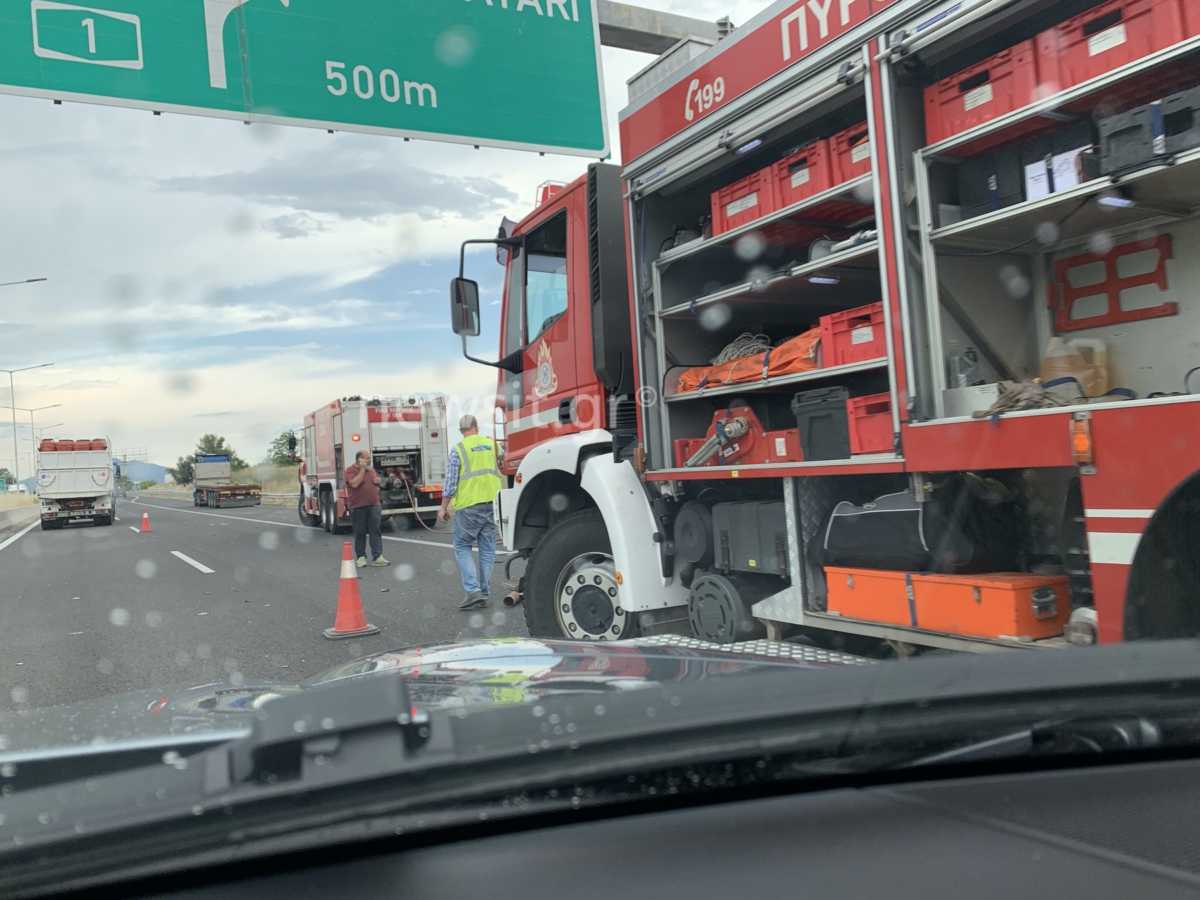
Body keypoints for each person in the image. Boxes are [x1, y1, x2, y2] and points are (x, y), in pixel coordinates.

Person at [438, 414, 503, 609]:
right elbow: (504, 464)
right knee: (487, 548)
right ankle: (483, 592)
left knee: (462, 545)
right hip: (492, 502)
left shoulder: (458, 449)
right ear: (476, 426)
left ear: (461, 431)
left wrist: (443, 507)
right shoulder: (493, 445)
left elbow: (450, 483)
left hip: (469, 506)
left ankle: (473, 591)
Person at [345, 449, 388, 568]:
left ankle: (378, 556)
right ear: (359, 459)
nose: (369, 460)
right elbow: (354, 484)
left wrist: (378, 481)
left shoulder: (372, 469)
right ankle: (361, 557)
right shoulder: (350, 470)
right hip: (358, 506)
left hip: (374, 505)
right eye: (367, 458)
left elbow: (376, 481)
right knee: (360, 532)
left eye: (369, 458)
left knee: (375, 531)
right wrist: (363, 470)